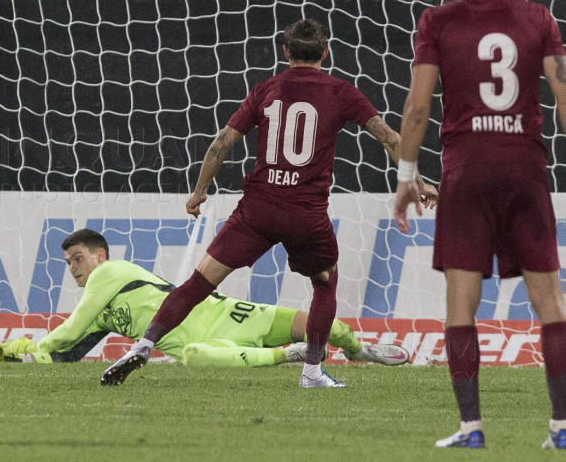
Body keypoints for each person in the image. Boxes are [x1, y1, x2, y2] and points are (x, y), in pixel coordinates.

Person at [102, 19, 438, 387]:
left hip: (257, 211)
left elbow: (222, 143)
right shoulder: (341, 92)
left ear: (286, 52)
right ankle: (311, 371)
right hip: (305, 215)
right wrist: (416, 182)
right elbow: (389, 137)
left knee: (198, 283)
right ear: (325, 52)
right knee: (324, 284)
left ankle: (144, 345)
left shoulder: (265, 89)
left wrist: (199, 191)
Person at [393, 0, 566, 450]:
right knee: (551, 305)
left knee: (460, 307)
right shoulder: (539, 18)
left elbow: (419, 105)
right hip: (524, 168)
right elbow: (562, 94)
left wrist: (405, 176)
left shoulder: (437, 21)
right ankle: (561, 427)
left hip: (465, 173)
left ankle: (471, 428)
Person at [0, 228, 409, 367]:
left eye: (78, 257)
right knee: (195, 356)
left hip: (229, 314)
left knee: (328, 327)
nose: (74, 267)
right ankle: (291, 356)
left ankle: (362, 350)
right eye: (68, 262)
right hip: (207, 340)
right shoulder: (104, 311)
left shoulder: (111, 272)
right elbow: (66, 352)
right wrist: (13, 354)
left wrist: (31, 349)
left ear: (99, 255)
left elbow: (65, 333)